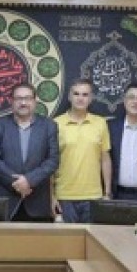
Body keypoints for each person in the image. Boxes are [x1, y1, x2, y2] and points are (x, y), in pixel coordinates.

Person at [0, 82, 60, 222]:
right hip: (6, 201)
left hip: (38, 201)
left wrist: (29, 180)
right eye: (18, 98)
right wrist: (17, 182)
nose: (23, 103)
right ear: (11, 101)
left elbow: (53, 160)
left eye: (27, 98)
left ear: (35, 101)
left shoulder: (48, 126)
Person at [52, 78, 111, 223]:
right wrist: (51, 196)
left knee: (92, 237)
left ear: (91, 98)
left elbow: (105, 159)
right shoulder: (55, 124)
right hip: (64, 196)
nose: (80, 98)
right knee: (67, 238)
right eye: (76, 94)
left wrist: (107, 192)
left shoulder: (100, 123)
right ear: (69, 96)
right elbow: (50, 163)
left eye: (85, 95)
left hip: (94, 196)